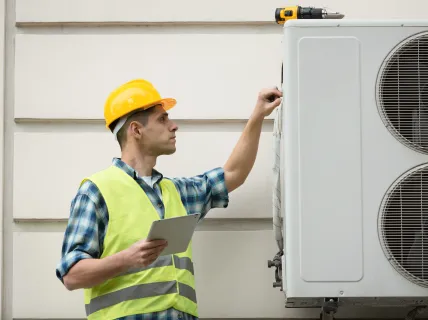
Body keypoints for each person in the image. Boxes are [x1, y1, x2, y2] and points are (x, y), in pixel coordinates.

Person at [55, 78, 283, 320]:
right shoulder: (96, 192)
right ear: (136, 130)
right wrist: (127, 259)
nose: (174, 126)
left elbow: (233, 174)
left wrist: (259, 113)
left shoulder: (177, 192)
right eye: (162, 119)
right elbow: (71, 274)